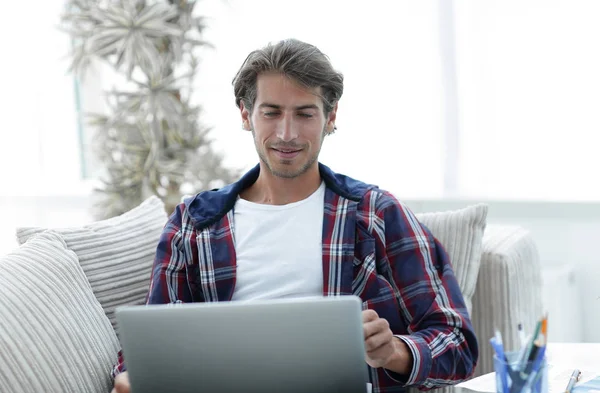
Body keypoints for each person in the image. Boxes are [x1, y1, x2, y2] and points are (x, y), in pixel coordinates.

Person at [111, 38, 478, 393]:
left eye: (305, 114)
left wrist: (395, 351)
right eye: (271, 113)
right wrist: (133, 377)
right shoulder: (194, 224)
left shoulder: (376, 213)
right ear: (246, 115)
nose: (287, 134)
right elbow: (150, 346)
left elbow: (458, 343)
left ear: (330, 117)